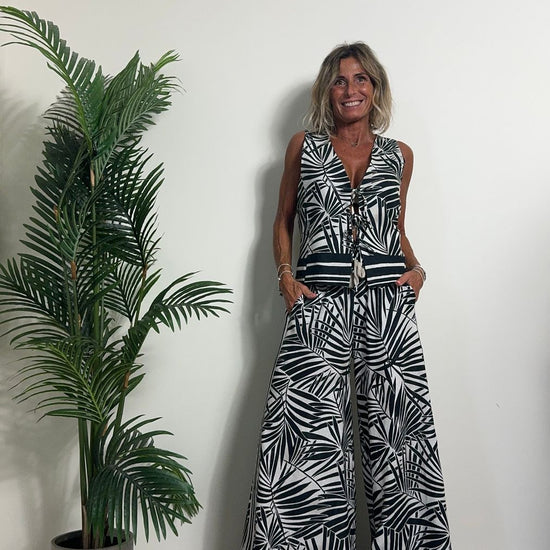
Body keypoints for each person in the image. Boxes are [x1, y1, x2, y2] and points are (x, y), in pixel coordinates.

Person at [242, 42, 452, 550]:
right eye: (339, 80)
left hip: (387, 309)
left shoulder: (400, 155)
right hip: (319, 304)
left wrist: (417, 270)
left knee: (401, 444)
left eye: (361, 79)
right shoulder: (304, 147)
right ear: (327, 91)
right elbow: (282, 220)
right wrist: (286, 277)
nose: (350, 89)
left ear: (375, 88)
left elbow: (395, 229)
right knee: (304, 443)